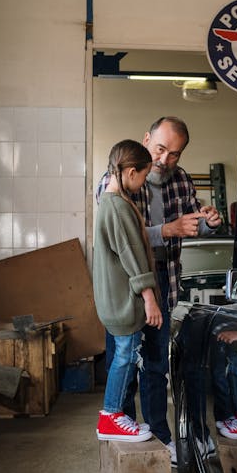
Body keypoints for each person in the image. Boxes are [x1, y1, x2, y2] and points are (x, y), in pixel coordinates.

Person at [96, 116, 222, 463]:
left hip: (163, 285)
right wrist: (166, 230)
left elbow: (191, 225)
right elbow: (122, 239)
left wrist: (209, 223)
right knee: (123, 360)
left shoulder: (179, 180)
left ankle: (158, 434)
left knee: (155, 365)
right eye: (160, 150)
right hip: (127, 291)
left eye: (174, 154)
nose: (164, 161)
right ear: (146, 139)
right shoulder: (114, 182)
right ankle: (118, 430)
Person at [93, 139, 163, 442]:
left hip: (113, 300)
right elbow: (133, 259)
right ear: (131, 171)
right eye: (144, 176)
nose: (143, 182)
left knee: (125, 355)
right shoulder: (119, 207)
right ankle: (111, 415)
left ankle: (115, 415)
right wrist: (150, 300)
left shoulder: (109, 203)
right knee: (125, 356)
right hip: (124, 302)